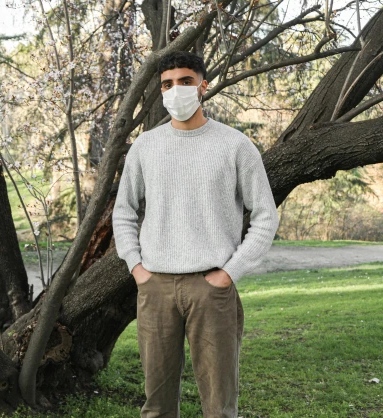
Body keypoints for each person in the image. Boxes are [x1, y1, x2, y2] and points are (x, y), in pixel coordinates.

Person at [112, 51, 279, 418]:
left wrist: (229, 273)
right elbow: (123, 211)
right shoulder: (145, 146)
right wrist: (137, 268)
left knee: (219, 406)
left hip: (212, 289)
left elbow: (266, 216)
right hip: (155, 287)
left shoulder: (235, 145)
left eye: (185, 82)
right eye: (167, 85)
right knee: (156, 405)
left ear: (203, 86)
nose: (176, 91)